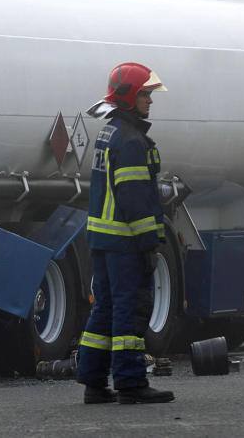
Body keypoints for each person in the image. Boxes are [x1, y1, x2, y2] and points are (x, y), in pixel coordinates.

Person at [77, 62, 175, 405]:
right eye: (146, 94)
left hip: (102, 241)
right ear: (131, 96)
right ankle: (131, 383)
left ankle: (93, 383)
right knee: (129, 309)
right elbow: (135, 200)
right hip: (125, 241)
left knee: (104, 309)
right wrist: (150, 242)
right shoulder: (132, 141)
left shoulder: (111, 132)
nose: (150, 101)